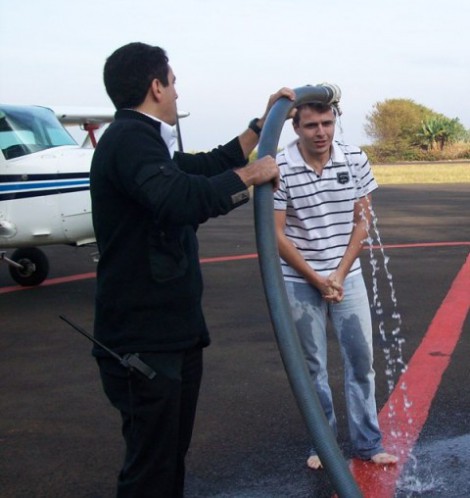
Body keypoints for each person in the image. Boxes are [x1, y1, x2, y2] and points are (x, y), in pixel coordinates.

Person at [89, 41, 295, 498]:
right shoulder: (128, 141)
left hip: (170, 335)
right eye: (174, 82)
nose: (178, 93)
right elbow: (180, 199)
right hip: (144, 341)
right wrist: (251, 175)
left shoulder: (145, 143)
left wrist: (257, 131)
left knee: (167, 462)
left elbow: (196, 171)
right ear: (156, 86)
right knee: (151, 470)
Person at [273, 101, 398, 470]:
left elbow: (363, 220)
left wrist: (340, 274)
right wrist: (316, 278)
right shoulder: (281, 166)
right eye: (311, 125)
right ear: (296, 128)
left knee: (361, 362)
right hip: (299, 279)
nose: (321, 132)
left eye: (327, 123)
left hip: (347, 276)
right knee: (312, 367)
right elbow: (275, 233)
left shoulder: (354, 158)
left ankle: (368, 443)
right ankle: (324, 445)